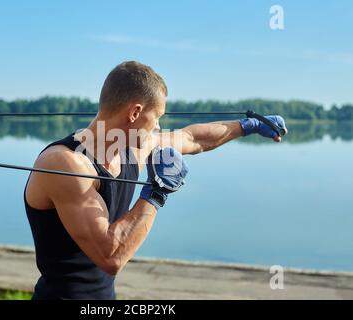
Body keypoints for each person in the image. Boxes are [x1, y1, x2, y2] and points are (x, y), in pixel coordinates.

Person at [24, 61, 287, 299]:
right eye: (158, 117)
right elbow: (110, 256)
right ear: (135, 113)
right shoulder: (64, 163)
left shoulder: (134, 147)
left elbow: (192, 139)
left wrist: (245, 126)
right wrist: (156, 193)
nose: (159, 127)